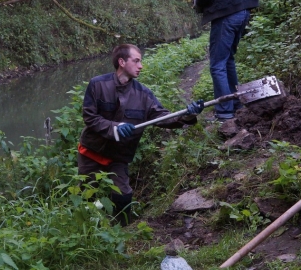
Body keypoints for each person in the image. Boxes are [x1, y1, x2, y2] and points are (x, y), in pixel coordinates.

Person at [77, 44, 205, 226]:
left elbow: (162, 117)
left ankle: (120, 232)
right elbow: (90, 117)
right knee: (87, 194)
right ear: (122, 62)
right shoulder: (97, 84)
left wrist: (188, 115)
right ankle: (88, 232)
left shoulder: (143, 94)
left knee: (123, 195)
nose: (141, 66)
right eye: (136, 61)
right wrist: (115, 127)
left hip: (118, 157)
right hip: (91, 152)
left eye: (141, 61)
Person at [194, 0, 259, 121]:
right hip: (243, 11)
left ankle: (224, 113)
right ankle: (235, 105)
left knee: (217, 65)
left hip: (227, 13)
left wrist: (198, 2)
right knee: (228, 59)